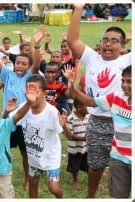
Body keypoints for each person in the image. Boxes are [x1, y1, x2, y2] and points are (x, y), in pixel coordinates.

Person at [67, 3, 131, 198]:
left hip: (123, 124)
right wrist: (78, 9)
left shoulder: (127, 61)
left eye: (114, 41)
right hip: (96, 123)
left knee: (122, 165)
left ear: (122, 46)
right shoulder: (92, 58)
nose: (108, 44)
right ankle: (91, 196)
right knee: (95, 165)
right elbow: (72, 40)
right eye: (105, 40)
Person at [0, 30, 42, 191]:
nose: (20, 66)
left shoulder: (31, 77)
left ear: (29, 66)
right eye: (18, 63)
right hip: (7, 121)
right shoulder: (8, 75)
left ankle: (27, 178)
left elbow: (37, 64)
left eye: (24, 64)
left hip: (25, 122)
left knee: (25, 153)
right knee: (1, 148)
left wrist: (37, 45)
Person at [64, 65, 131, 198]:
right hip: (118, 158)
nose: (124, 85)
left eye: (129, 81)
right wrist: (72, 87)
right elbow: (90, 101)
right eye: (123, 81)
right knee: (118, 195)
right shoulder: (116, 97)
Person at [7, 75, 66, 198]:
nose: (31, 94)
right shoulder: (24, 107)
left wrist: (64, 126)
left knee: (53, 188)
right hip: (34, 155)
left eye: (35, 91)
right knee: (33, 183)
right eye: (29, 91)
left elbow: (64, 132)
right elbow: (7, 122)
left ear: (44, 93)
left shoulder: (51, 112)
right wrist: (7, 111)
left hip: (50, 156)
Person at [62, 98, 90, 190]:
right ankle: (75, 180)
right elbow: (70, 136)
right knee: (75, 165)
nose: (88, 108)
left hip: (85, 147)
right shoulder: (71, 118)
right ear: (78, 107)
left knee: (88, 163)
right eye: (86, 106)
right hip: (75, 148)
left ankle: (91, 178)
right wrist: (84, 138)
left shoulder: (89, 116)